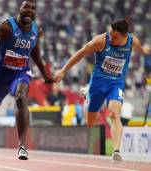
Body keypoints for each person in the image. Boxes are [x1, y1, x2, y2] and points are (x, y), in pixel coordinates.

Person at [53, 19, 151, 162]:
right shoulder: (100, 41)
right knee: (90, 124)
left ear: (124, 36)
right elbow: (80, 54)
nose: (111, 37)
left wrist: (145, 50)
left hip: (116, 83)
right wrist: (63, 71)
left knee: (114, 112)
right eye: (110, 33)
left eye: (115, 37)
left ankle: (116, 151)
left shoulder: (132, 41)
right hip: (98, 82)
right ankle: (88, 95)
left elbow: (140, 49)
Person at [0, 0, 52, 160]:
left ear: (35, 12)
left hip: (21, 73)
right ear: (20, 8)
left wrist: (45, 75)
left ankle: (22, 146)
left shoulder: (36, 31)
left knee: (21, 98)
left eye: (32, 8)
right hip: (1, 77)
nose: (29, 10)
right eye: (26, 6)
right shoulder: (7, 26)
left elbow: (36, 54)